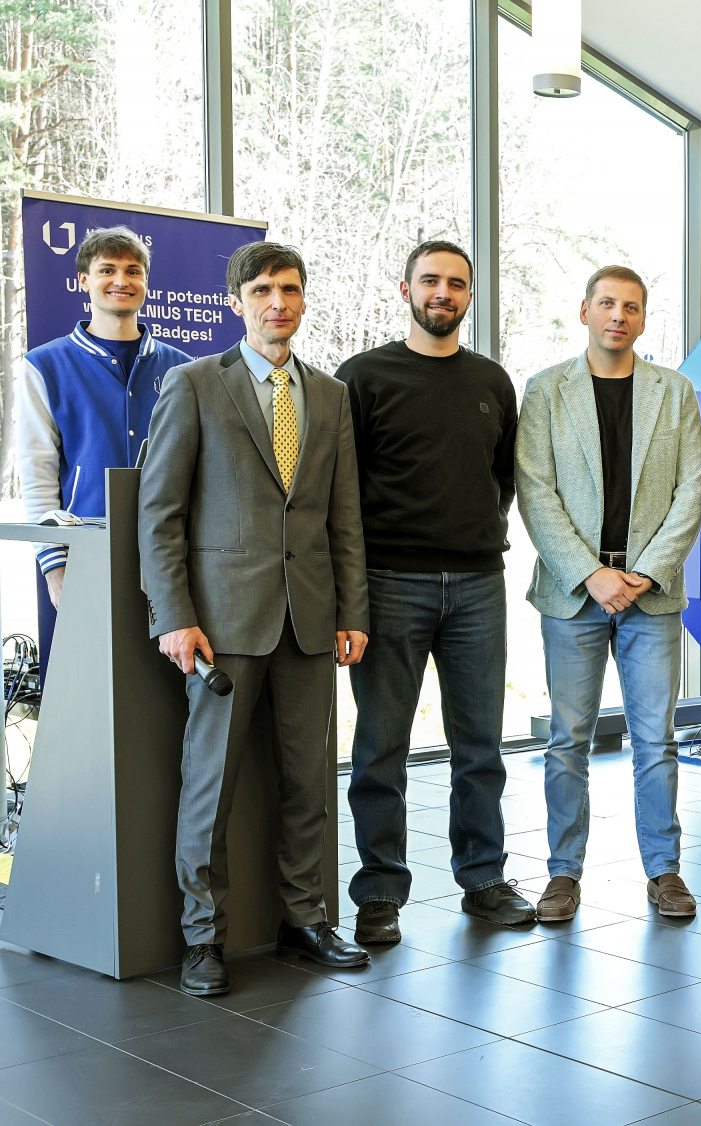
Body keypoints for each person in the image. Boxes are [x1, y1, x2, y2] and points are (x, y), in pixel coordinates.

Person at [138, 242, 370, 996]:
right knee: (210, 787)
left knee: (308, 782)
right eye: (264, 289)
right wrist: (174, 615)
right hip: (221, 624)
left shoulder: (330, 395)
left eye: (291, 289)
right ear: (236, 301)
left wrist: (352, 610)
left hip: (310, 620)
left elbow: (343, 515)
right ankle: (202, 938)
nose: (279, 302)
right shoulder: (193, 384)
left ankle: (306, 919)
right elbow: (160, 514)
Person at [338, 241, 533, 944]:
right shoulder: (363, 377)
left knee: (480, 747)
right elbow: (342, 488)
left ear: (470, 296)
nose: (442, 293)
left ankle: (483, 879)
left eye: (456, 283)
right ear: (406, 290)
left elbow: (502, 478)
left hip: (478, 584)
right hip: (390, 583)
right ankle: (379, 891)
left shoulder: (492, 380)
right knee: (381, 746)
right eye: (430, 281)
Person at [516, 265, 701, 920]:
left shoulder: (674, 392)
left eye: (631, 306)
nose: (618, 316)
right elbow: (534, 491)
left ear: (643, 319)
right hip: (574, 593)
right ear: (585, 311)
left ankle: (664, 871)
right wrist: (590, 573)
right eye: (606, 304)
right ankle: (562, 875)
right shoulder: (546, 391)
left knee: (657, 739)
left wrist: (647, 571)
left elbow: (692, 489)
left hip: (650, 594)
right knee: (568, 739)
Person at [15, 227, 193, 679]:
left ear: (146, 282)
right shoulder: (44, 365)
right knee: (83, 689)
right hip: (82, 556)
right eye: (107, 270)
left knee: (162, 693)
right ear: (83, 280)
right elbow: (36, 472)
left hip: (169, 558)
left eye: (133, 271)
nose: (121, 280)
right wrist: (53, 566)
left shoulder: (183, 369)